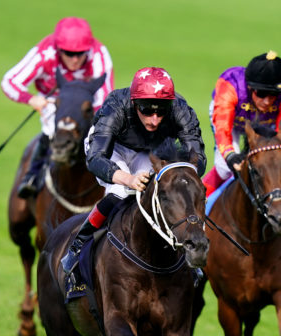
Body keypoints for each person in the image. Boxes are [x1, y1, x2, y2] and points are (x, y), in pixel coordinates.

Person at [60, 66, 206, 275]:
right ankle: (79, 243)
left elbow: (197, 157)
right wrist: (128, 179)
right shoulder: (116, 105)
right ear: (134, 102)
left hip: (150, 150)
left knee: (162, 193)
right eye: (147, 110)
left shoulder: (181, 109)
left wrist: (177, 177)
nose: (154, 119)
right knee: (120, 192)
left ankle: (182, 252)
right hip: (112, 147)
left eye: (161, 112)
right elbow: (95, 158)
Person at [202, 51, 281, 232]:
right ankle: (198, 203)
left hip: (266, 123)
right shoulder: (230, 85)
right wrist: (231, 156)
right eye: (262, 93)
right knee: (225, 167)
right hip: (231, 120)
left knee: (273, 160)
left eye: (274, 95)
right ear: (249, 87)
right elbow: (223, 127)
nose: (267, 100)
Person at [1, 17, 114, 198]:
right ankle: (33, 175)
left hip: (86, 105)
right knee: (52, 127)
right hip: (55, 102)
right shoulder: (44, 54)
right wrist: (30, 99)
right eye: (69, 54)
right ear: (59, 49)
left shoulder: (99, 54)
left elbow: (105, 96)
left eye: (81, 53)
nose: (75, 59)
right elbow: (10, 82)